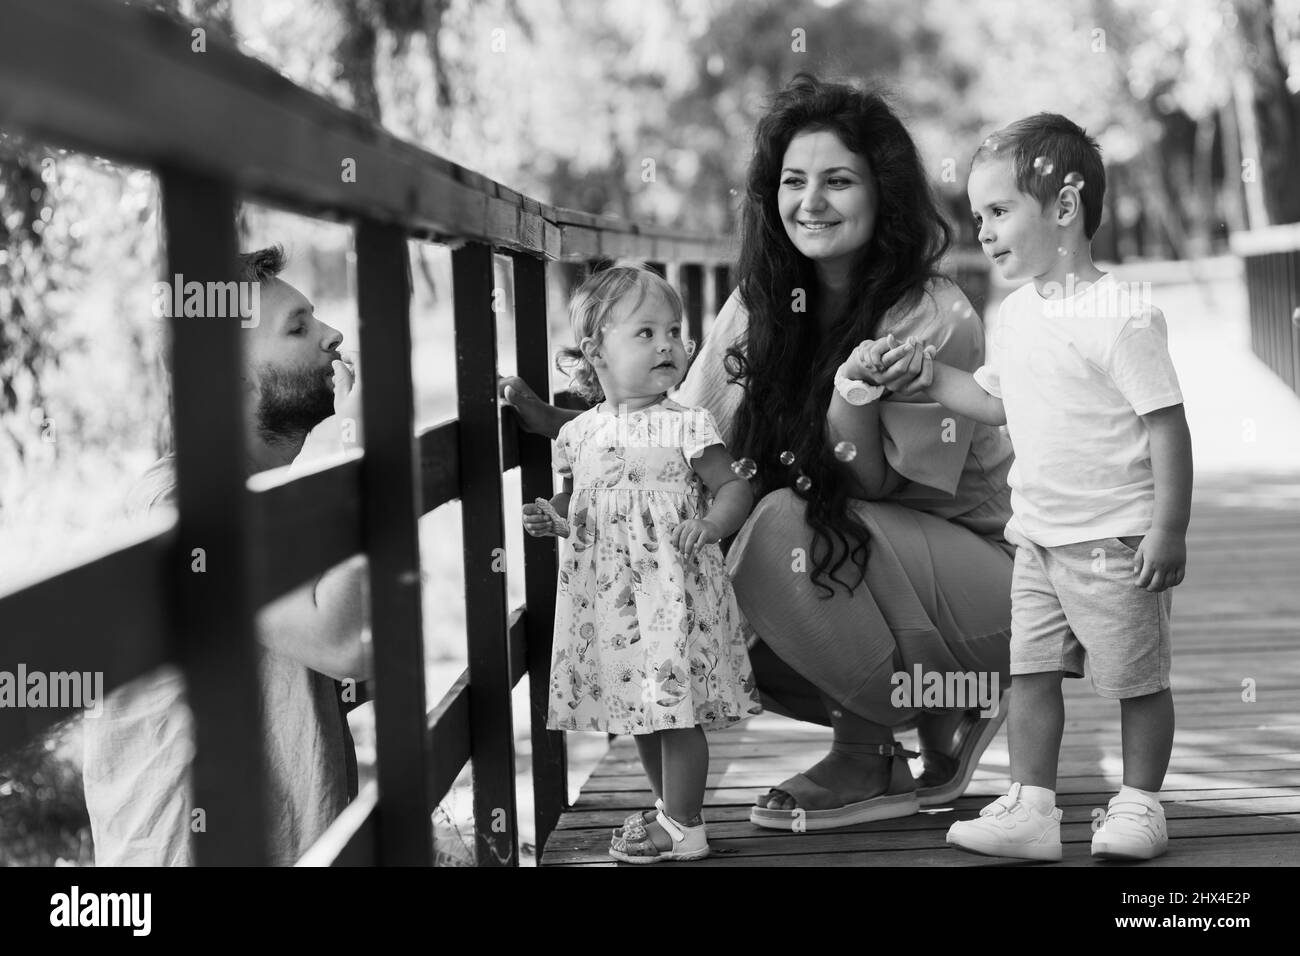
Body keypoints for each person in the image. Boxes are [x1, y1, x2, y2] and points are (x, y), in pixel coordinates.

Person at [502, 72, 1016, 831]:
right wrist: (574, 420)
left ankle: (878, 746)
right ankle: (925, 716)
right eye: (793, 181)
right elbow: (696, 442)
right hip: (879, 570)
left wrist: (849, 391)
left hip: (985, 590)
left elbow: (869, 483)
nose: (810, 202)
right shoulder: (759, 305)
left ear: (885, 194)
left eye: (838, 181)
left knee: (776, 531)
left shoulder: (932, 315)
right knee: (705, 569)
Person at [926, 115, 1192, 861]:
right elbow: (997, 401)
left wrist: (1169, 529)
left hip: (1116, 539)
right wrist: (925, 379)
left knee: (1137, 680)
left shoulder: (1122, 316)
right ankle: (1034, 807)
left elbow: (1168, 427)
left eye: (1000, 211)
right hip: (1036, 538)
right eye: (976, 216)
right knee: (1030, 675)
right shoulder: (1017, 314)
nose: (981, 230)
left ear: (1065, 209)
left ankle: (1140, 805)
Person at [83, 245, 372, 866]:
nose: (333, 336)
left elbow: (359, 662)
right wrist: (357, 458)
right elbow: (341, 641)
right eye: (298, 327)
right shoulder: (179, 505)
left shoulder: (278, 491)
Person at [522, 264, 762, 862]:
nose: (668, 345)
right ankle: (668, 813)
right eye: (646, 333)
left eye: (675, 332)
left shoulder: (686, 423)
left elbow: (734, 488)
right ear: (595, 351)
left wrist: (710, 525)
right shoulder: (578, 433)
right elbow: (574, 500)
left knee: (676, 711)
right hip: (611, 599)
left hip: (672, 592)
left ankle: (686, 823)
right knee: (642, 710)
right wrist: (552, 517)